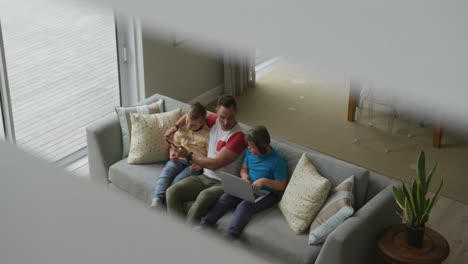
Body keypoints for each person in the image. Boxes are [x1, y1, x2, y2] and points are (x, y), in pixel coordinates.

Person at [165, 95, 247, 223]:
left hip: (223, 183)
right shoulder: (214, 121)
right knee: (172, 192)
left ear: (236, 112)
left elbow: (215, 164)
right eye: (222, 117)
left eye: (230, 117)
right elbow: (189, 116)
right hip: (204, 177)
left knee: (204, 196)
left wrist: (188, 155)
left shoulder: (238, 137)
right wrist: (175, 127)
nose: (226, 122)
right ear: (216, 112)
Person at [199, 126, 287, 240]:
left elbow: (281, 185)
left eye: (252, 146)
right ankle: (205, 224)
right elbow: (244, 168)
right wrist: (244, 175)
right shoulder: (250, 152)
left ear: (263, 146)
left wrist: (264, 181)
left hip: (267, 193)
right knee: (226, 196)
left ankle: (230, 238)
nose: (249, 148)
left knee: (244, 206)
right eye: (248, 145)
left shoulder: (277, 161)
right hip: (249, 186)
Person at [150, 102, 210, 208]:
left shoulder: (208, 134)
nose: (188, 126)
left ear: (202, 123)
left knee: (178, 181)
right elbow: (174, 146)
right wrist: (172, 153)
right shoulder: (182, 127)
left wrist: (201, 165)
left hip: (194, 164)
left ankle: (165, 202)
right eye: (187, 121)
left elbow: (210, 157)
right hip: (179, 159)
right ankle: (156, 200)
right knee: (166, 172)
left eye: (193, 124)